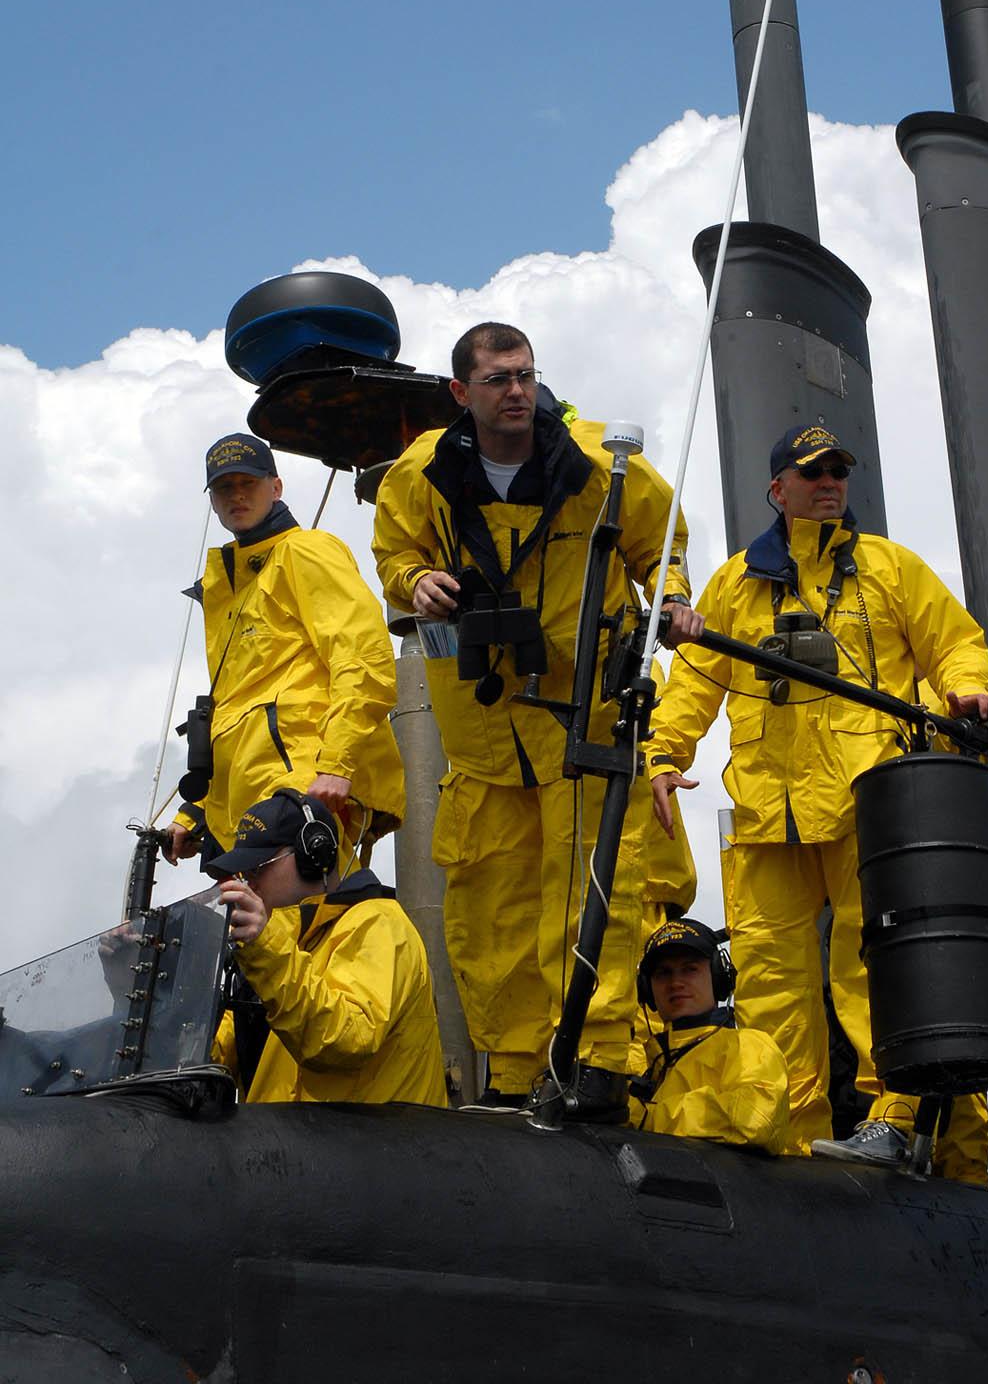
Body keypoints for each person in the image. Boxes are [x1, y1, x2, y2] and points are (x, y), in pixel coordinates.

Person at [647, 421, 988, 1170]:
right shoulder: (736, 581)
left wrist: (967, 688)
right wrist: (662, 752)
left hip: (863, 804)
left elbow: (952, 640)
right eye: (813, 474)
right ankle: (789, 1137)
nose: (829, 486)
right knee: (772, 986)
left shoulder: (886, 567)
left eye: (837, 474)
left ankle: (892, 1116)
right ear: (777, 490)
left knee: (868, 969)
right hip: (765, 816)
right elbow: (694, 682)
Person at [371, 322, 702, 1121]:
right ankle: (517, 1072)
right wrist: (415, 580)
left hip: (579, 719)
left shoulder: (600, 465)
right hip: (483, 731)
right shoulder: (420, 476)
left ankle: (595, 1062)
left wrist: (676, 598)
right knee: (493, 908)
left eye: (524, 375)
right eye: (496, 380)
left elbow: (661, 545)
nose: (515, 391)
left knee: (594, 892)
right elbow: (392, 555)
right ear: (461, 393)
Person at [165, 434, 405, 869]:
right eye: (224, 488)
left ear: (275, 488)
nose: (237, 495)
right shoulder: (228, 586)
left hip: (303, 787)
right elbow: (237, 709)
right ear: (213, 502)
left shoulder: (305, 551)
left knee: (310, 927)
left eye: (248, 483)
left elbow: (363, 658)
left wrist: (337, 762)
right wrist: (198, 811)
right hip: (247, 805)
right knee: (257, 934)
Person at [210, 790, 446, 1106]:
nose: (247, 884)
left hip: (373, 1151)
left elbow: (348, 1040)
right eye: (242, 873)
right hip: (283, 1148)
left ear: (314, 855)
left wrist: (266, 949)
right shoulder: (270, 951)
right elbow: (213, 1057)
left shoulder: (379, 924)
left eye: (258, 868)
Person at [630, 918, 788, 1153]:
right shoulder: (648, 1066)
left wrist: (650, 1118)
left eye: (690, 969)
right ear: (647, 990)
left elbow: (757, 1117)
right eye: (663, 973)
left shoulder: (748, 1045)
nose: (676, 982)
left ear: (717, 976)